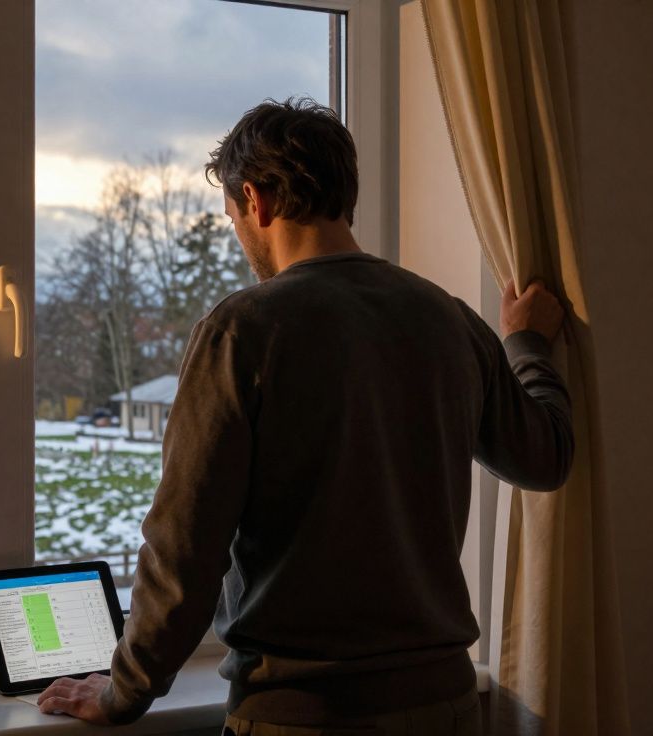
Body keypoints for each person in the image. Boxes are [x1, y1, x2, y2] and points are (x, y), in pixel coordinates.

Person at [37, 97, 572, 735]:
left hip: (304, 716)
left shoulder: (243, 330)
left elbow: (185, 551)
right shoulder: (449, 319)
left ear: (256, 201)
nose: (239, 233)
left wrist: (123, 692)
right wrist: (528, 344)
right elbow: (547, 457)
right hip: (447, 708)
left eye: (233, 215)